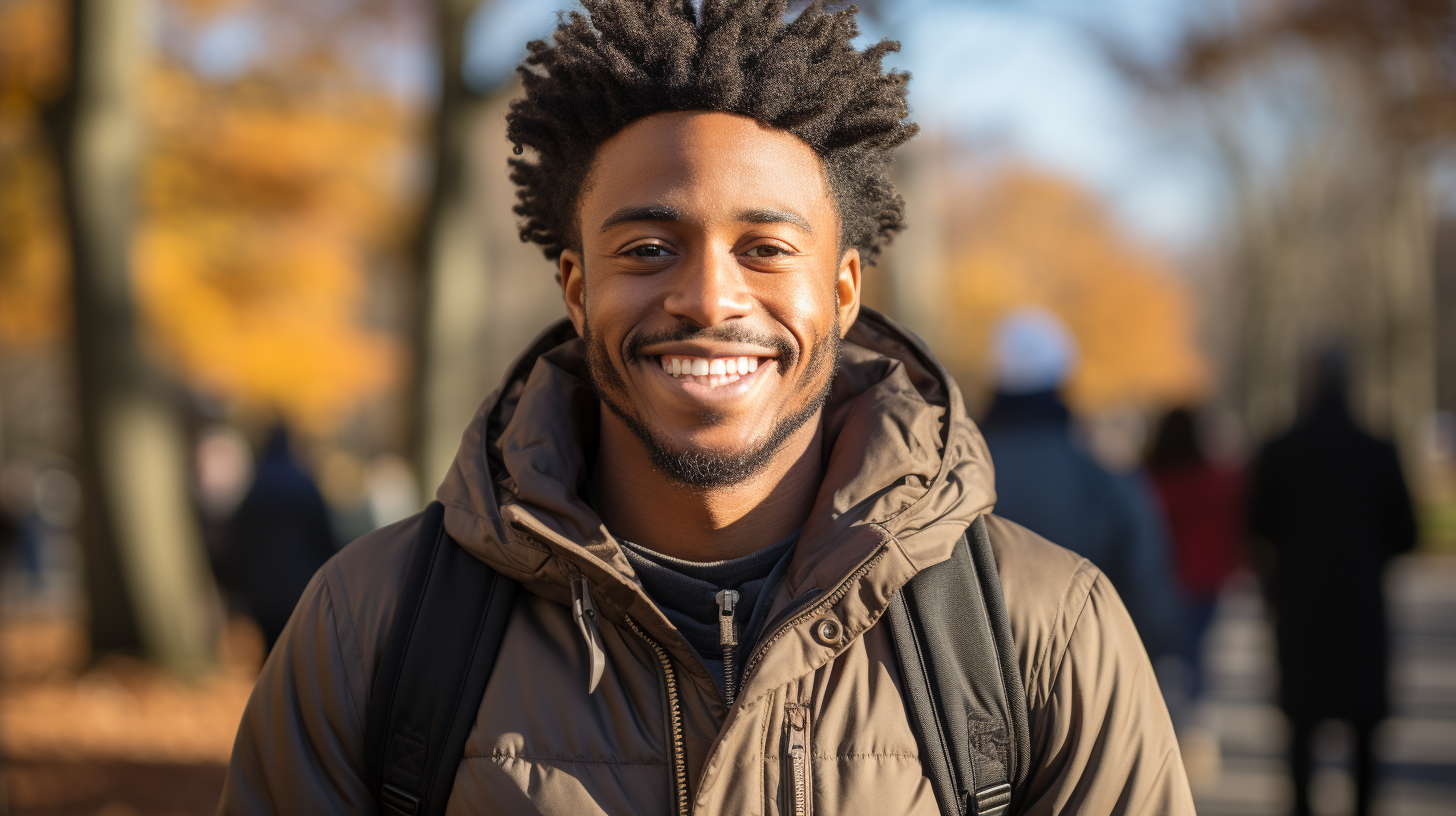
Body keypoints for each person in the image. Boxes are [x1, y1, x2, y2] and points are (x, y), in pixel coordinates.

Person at [218, 2, 1194, 813]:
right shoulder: (371, 626)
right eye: (647, 249)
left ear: (844, 291)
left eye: (765, 248)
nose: (709, 298)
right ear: (575, 287)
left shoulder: (1043, 632)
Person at [1247, 352, 1417, 816]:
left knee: (1302, 725)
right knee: (1363, 726)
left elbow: (1255, 524)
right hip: (1360, 607)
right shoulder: (1377, 450)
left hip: (1300, 606)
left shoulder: (1280, 450)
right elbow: (1407, 533)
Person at [979, 308, 1182, 661]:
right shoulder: (1103, 474)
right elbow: (1145, 585)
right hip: (1083, 673)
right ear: (1062, 378)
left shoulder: (957, 473)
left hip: (969, 683)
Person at [1146, 407, 1241, 708]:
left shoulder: (1149, 481)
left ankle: (1156, 709)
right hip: (1205, 576)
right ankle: (1194, 712)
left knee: (1157, 651)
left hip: (1164, 577)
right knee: (1196, 650)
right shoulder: (1213, 479)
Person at [220, 425, 338, 652]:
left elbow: (237, 542)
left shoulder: (256, 488)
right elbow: (325, 538)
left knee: (272, 651)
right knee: (302, 649)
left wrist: (240, 585)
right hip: (302, 587)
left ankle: (273, 687)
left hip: (264, 593)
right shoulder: (305, 486)